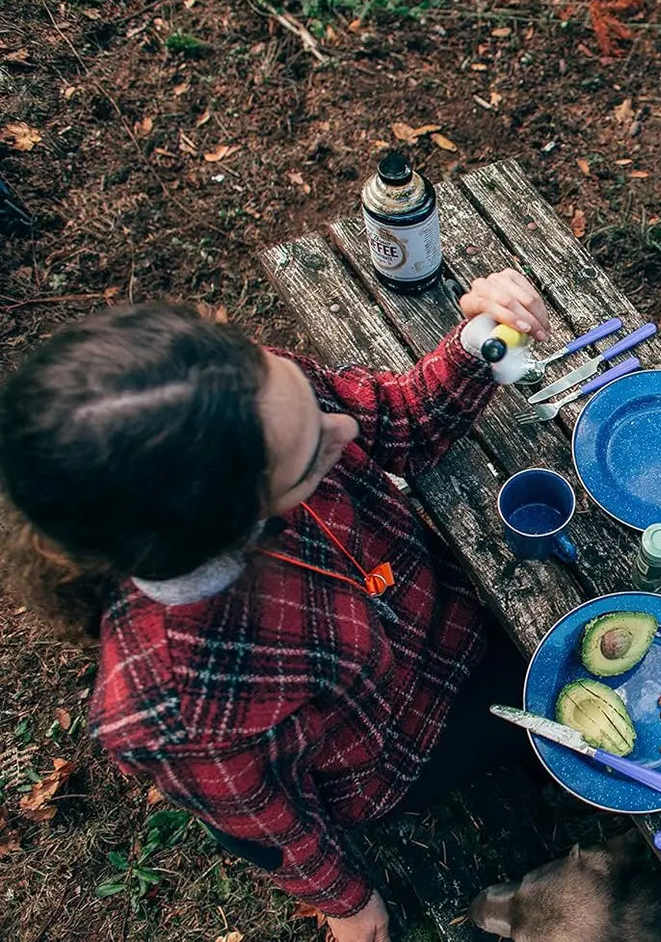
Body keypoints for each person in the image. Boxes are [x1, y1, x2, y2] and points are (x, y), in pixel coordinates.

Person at [0, 271, 550, 942]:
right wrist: (346, 901)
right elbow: (265, 817)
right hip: (404, 738)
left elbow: (393, 419)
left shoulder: (248, 401)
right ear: (230, 525)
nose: (342, 427)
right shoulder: (175, 707)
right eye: (310, 459)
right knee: (563, 700)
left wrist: (476, 343)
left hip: (447, 606)